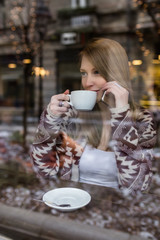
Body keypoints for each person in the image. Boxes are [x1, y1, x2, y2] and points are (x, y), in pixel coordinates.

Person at [31, 38, 157, 195]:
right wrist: (50, 120)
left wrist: (122, 116)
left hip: (116, 213)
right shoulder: (74, 117)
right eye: (84, 73)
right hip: (73, 205)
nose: (87, 82)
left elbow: (137, 186)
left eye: (96, 72)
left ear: (115, 73)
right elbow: (42, 171)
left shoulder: (141, 119)